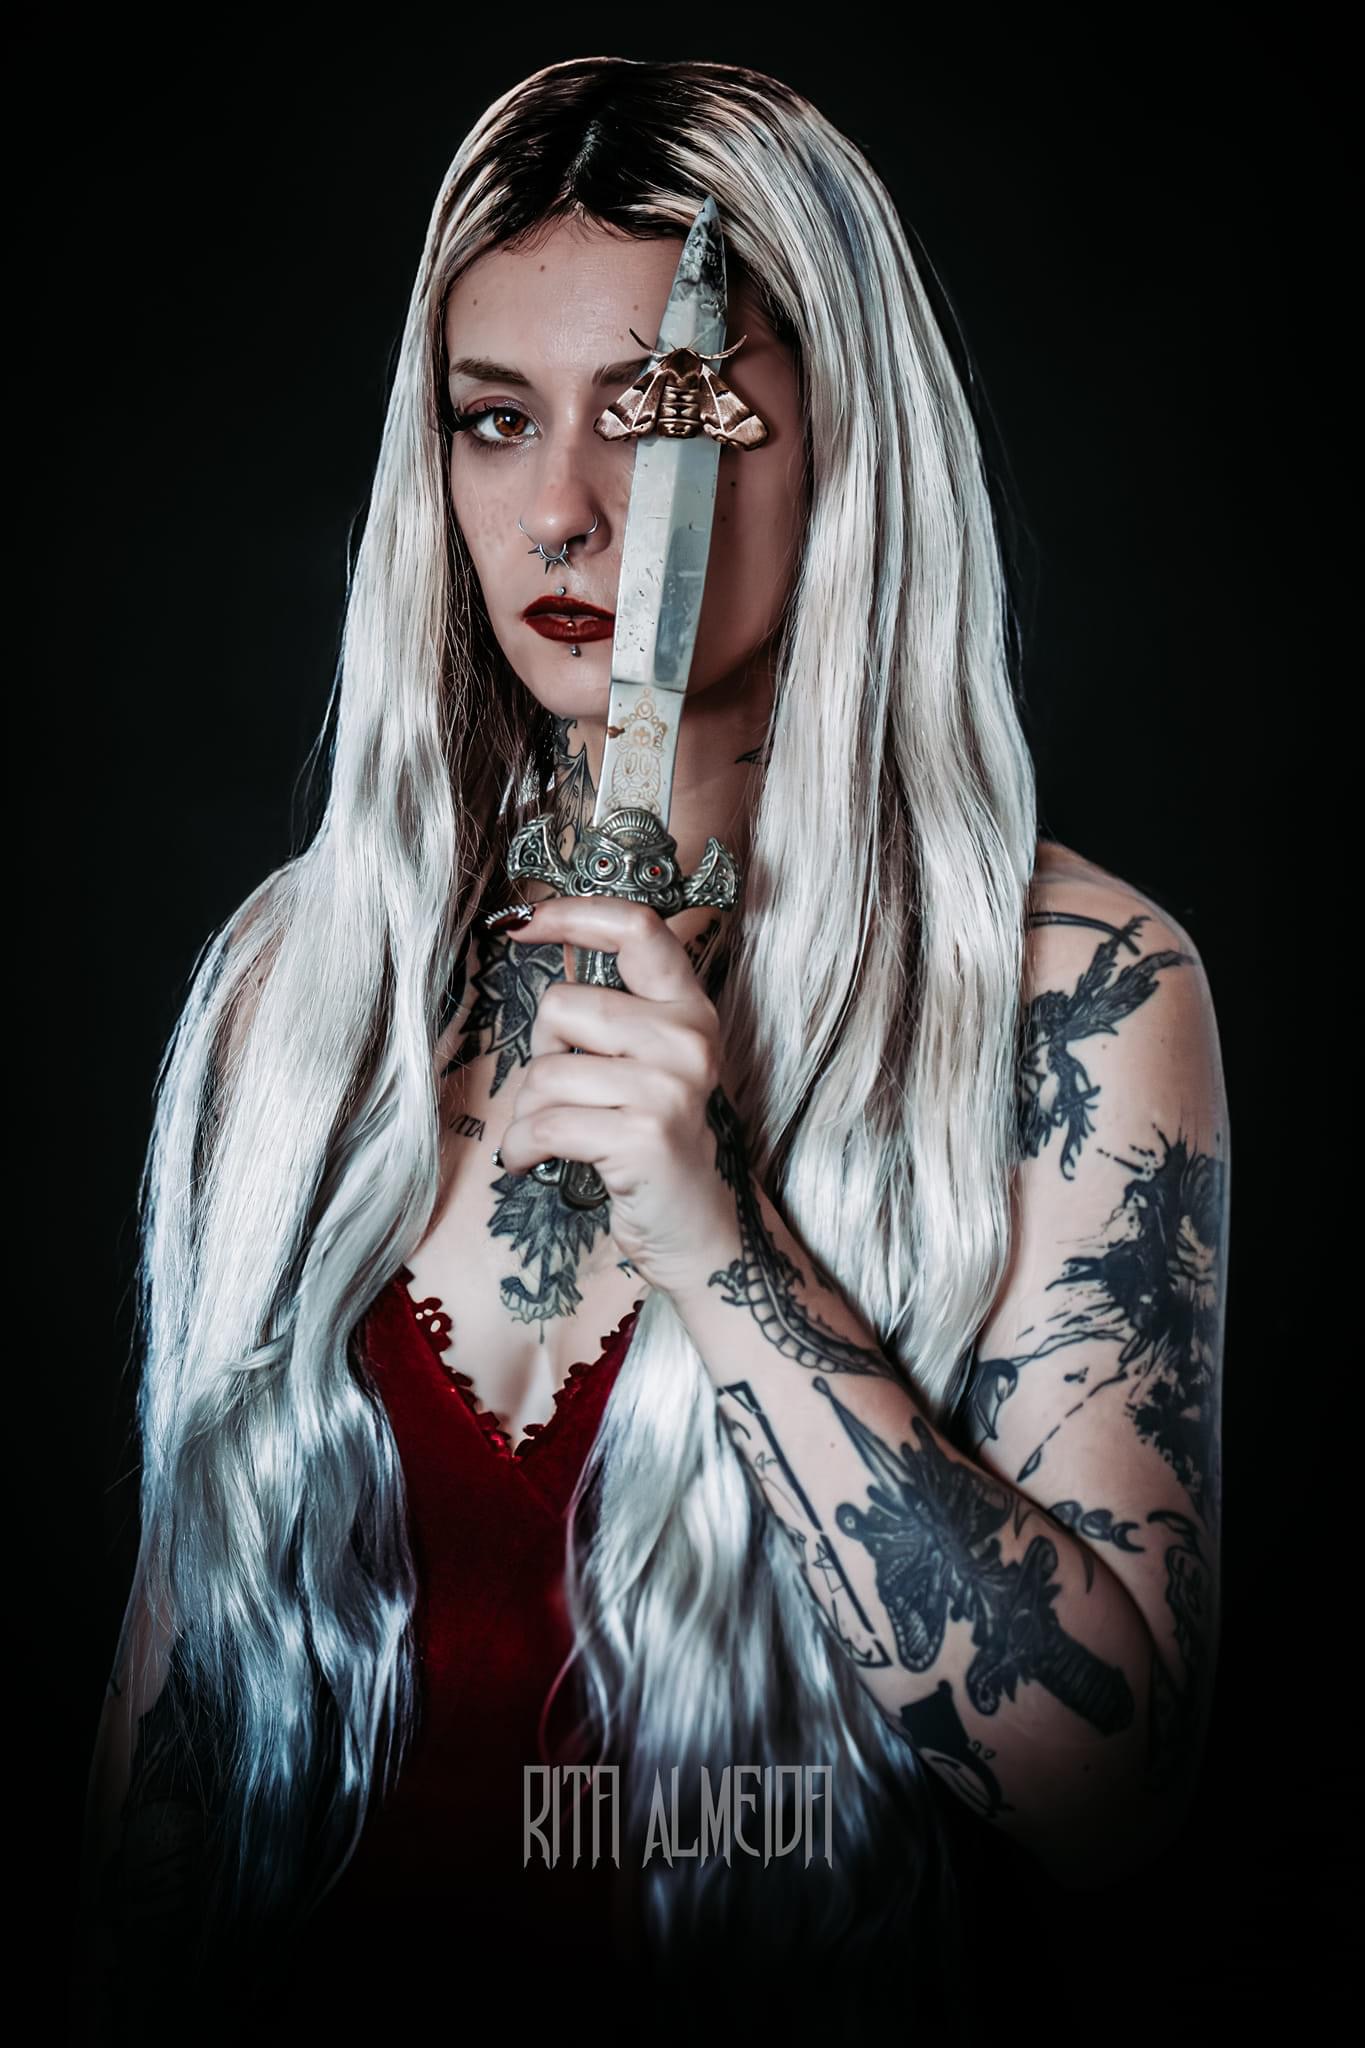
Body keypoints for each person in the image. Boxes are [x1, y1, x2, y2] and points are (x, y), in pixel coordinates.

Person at [73, 55, 1230, 2048]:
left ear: (837, 430)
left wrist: (721, 1241)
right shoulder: (307, 976)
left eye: (658, 412)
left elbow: (1102, 1789)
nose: (562, 510)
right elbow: (163, 1749)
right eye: (495, 419)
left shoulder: (1069, 990)